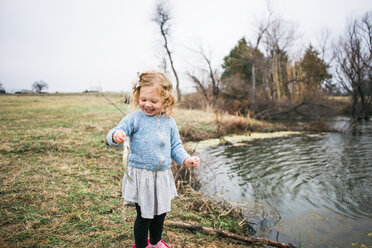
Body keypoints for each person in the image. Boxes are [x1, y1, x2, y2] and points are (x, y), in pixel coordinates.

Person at [106, 71, 200, 248]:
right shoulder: (134, 119)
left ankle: (156, 243)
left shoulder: (169, 122)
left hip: (162, 176)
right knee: (144, 216)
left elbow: (176, 147)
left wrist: (186, 159)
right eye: (143, 100)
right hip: (142, 177)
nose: (147, 104)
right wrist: (115, 136)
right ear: (138, 97)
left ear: (166, 100)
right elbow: (114, 133)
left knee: (160, 214)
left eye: (153, 101)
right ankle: (141, 245)